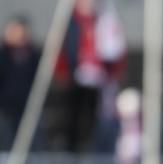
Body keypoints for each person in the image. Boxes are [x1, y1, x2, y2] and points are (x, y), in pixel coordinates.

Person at [54, 0, 126, 153]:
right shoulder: (70, 22)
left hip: (98, 77)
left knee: (95, 115)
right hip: (76, 75)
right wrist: (62, 70)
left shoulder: (103, 19)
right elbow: (63, 47)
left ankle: (93, 147)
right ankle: (71, 148)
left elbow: (113, 46)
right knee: (73, 114)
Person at [0, 15, 40, 151]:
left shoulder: (32, 55)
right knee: (7, 139)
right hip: (6, 106)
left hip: (26, 103)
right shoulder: (4, 54)